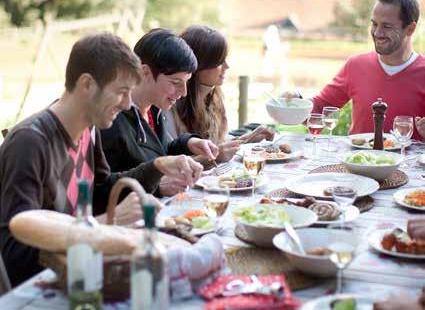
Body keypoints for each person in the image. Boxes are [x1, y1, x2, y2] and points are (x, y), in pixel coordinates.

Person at [0, 33, 204, 286]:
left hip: (84, 270)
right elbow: (15, 251)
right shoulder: (29, 143)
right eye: (121, 92)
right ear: (87, 85)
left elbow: (102, 189)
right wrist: (107, 222)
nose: (128, 104)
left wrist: (157, 166)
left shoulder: (88, 128)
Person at [285, 0, 425, 139]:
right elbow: (320, 110)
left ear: (410, 29)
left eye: (386, 26)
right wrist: (295, 102)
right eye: (374, 24)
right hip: (359, 160)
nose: (377, 32)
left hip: (409, 162)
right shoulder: (356, 65)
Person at [100, 29, 219, 197]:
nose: (184, 92)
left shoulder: (154, 107)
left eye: (186, 82)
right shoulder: (111, 119)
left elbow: (158, 150)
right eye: (175, 82)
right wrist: (157, 188)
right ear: (145, 72)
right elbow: (102, 189)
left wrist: (188, 143)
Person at [166, 25, 274, 165]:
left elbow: (218, 147)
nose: (227, 66)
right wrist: (214, 157)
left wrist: (249, 138)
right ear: (197, 64)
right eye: (219, 61)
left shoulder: (214, 96)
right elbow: (168, 164)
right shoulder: (170, 103)